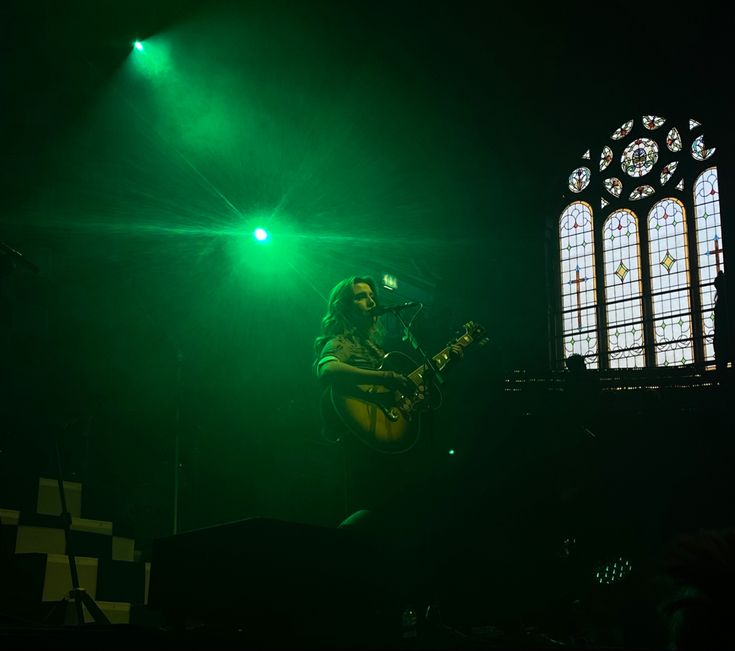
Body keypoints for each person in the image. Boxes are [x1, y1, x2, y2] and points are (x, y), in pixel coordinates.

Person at [313, 275, 416, 535]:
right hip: (357, 444)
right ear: (344, 306)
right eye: (360, 296)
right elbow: (327, 368)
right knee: (364, 513)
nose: (370, 301)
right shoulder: (342, 341)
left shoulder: (374, 347)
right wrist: (387, 377)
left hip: (379, 437)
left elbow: (381, 396)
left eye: (371, 295)